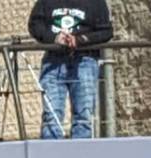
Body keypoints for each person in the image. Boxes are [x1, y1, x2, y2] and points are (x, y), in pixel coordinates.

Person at [29, 0, 113, 139]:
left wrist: (81, 39)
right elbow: (35, 25)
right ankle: (50, 157)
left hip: (84, 61)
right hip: (53, 61)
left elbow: (106, 31)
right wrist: (55, 38)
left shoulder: (96, 3)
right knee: (51, 117)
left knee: (83, 116)